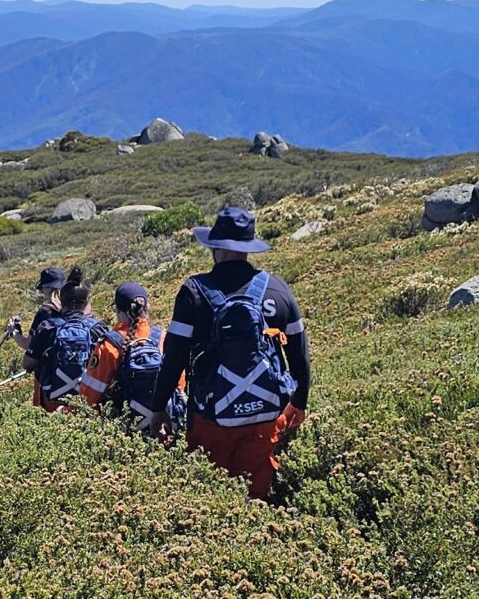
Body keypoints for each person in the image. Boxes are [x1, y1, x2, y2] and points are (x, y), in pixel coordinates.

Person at [153, 207, 312, 500]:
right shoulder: (278, 289)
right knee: (256, 495)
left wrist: (158, 406)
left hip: (210, 416)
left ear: (215, 247)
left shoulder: (194, 291)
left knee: (209, 496)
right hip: (265, 415)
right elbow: (299, 354)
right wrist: (299, 402)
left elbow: (173, 357)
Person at [94, 282, 177, 440]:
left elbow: (90, 394)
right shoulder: (163, 338)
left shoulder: (109, 344)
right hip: (165, 429)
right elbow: (178, 386)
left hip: (126, 434)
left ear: (117, 310)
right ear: (147, 306)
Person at [26, 268, 106, 413]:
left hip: (52, 401)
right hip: (88, 400)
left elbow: (28, 364)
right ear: (86, 302)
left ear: (61, 301)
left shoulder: (48, 327)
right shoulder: (98, 328)